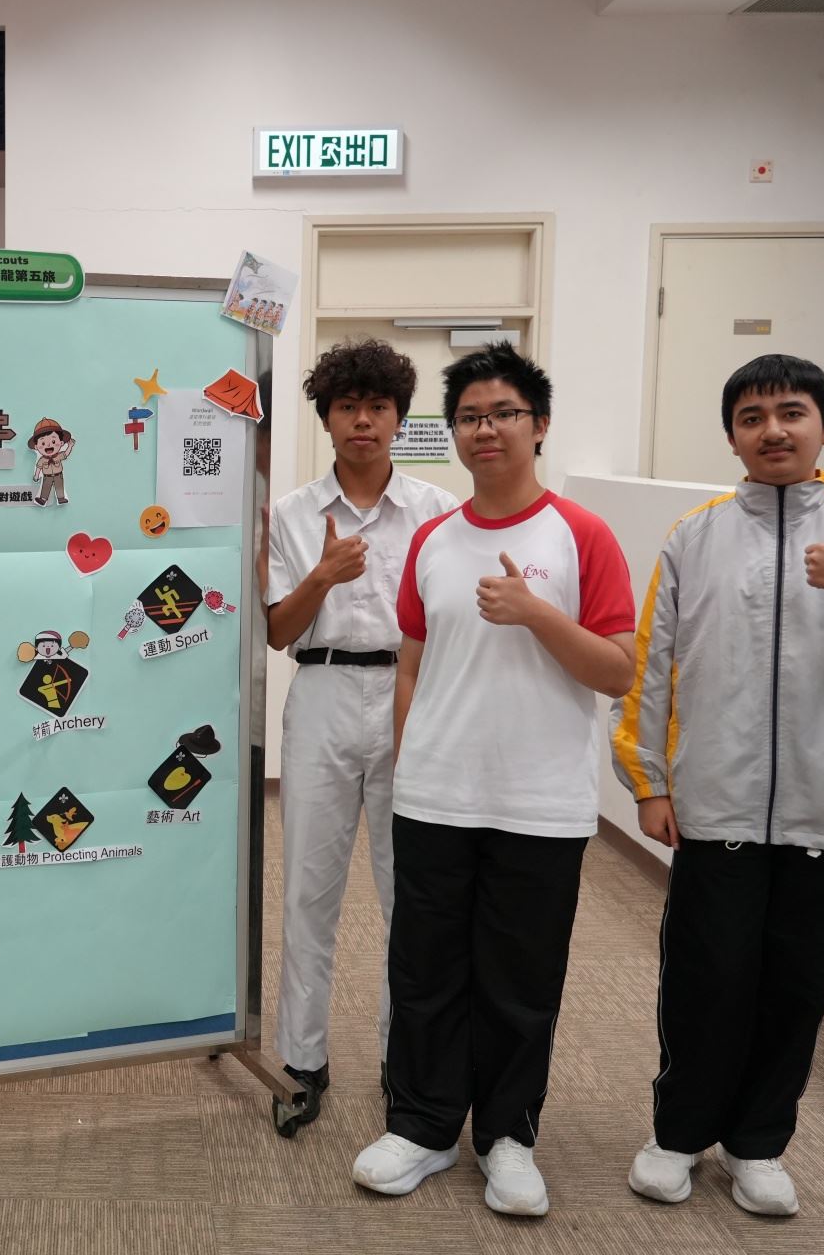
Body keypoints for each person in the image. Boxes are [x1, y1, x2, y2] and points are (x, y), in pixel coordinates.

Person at [614, 355, 824, 1217]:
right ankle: (678, 1135)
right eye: (753, 417)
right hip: (714, 805)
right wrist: (647, 781)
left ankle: (758, 1144)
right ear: (732, 435)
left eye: (792, 413)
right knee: (705, 981)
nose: (773, 430)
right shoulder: (692, 537)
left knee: (796, 988)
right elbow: (652, 667)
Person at [352, 342, 636, 1217]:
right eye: (470, 416)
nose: (486, 429)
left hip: (540, 802)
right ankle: (423, 1126)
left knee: (520, 978)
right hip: (435, 794)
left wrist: (538, 615)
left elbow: (619, 670)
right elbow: (410, 664)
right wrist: (409, 761)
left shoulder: (581, 535)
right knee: (424, 969)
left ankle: (508, 1136)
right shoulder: (434, 539)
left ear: (538, 425)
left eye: (504, 413)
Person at [264, 339, 457, 1134]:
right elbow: (278, 631)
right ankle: (302, 1060)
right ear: (327, 419)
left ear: (399, 418)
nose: (364, 421)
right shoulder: (290, 514)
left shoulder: (439, 511)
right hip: (322, 694)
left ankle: (401, 1056)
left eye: (378, 407)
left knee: (410, 892)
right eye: (348, 407)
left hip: (413, 698)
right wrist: (322, 575)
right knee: (308, 891)